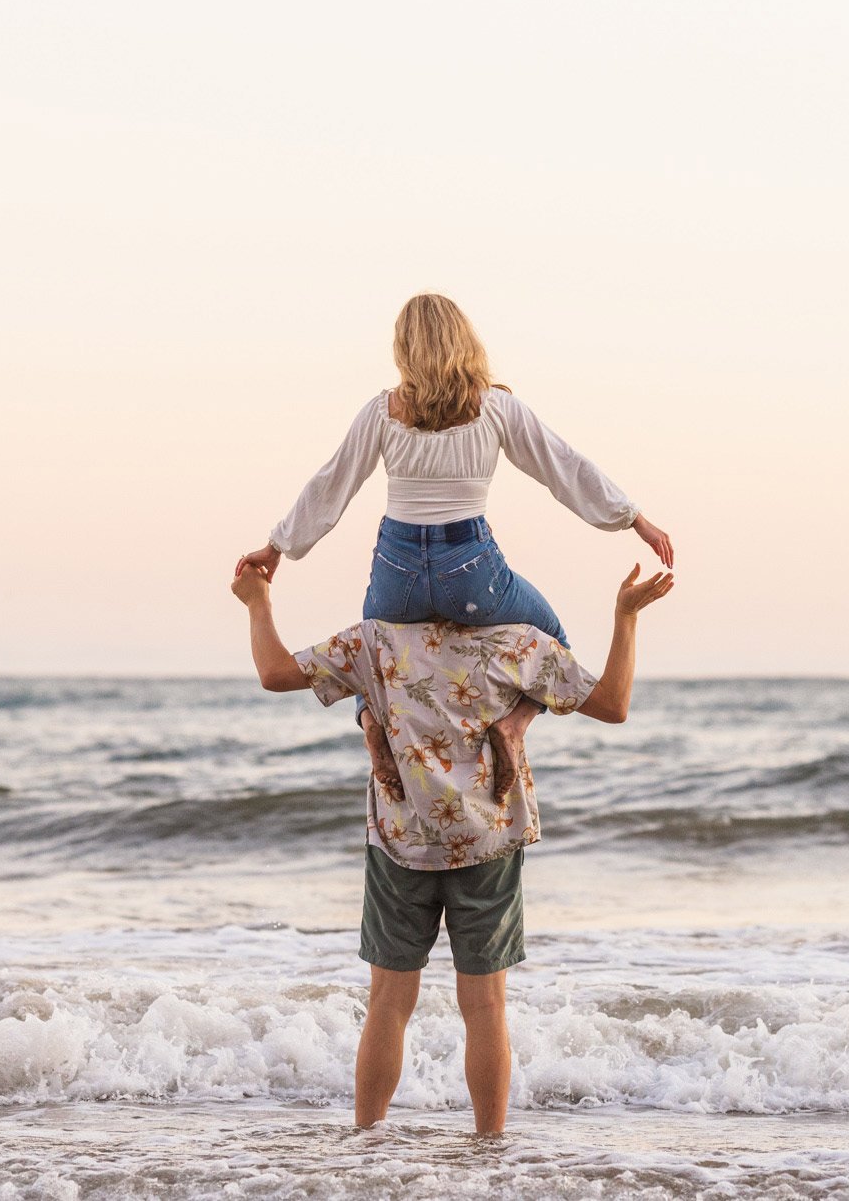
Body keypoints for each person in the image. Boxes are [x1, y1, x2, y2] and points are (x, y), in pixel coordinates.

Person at [229, 558, 675, 1133]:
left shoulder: (376, 641)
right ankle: (489, 1147)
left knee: (388, 1004)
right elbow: (613, 705)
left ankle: (368, 1141)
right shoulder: (516, 643)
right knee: (485, 1008)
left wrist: (256, 601)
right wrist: (626, 616)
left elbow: (274, 673)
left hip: (400, 843)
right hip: (487, 841)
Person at [231, 293, 675, 798]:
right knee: (549, 634)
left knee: (374, 647)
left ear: (403, 349)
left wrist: (277, 546)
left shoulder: (383, 411)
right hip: (471, 571)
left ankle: (371, 724)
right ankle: (513, 726)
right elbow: (564, 466)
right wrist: (631, 518)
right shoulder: (496, 408)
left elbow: (331, 484)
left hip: (397, 571)